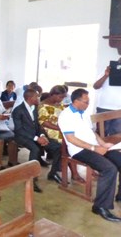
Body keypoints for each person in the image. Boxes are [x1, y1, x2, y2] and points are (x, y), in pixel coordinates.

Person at [58, 88, 121, 222]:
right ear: (76, 101)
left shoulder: (84, 113)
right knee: (109, 169)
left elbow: (93, 133)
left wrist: (103, 144)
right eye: (86, 102)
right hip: (80, 150)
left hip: (94, 147)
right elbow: (71, 139)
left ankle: (120, 195)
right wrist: (93, 147)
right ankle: (100, 206)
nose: (88, 104)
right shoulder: (66, 115)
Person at [12, 89, 62, 193]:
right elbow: (19, 130)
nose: (39, 98)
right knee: (35, 149)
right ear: (30, 98)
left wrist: (42, 136)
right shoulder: (18, 110)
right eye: (37, 96)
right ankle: (31, 179)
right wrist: (36, 138)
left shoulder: (34, 108)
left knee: (57, 147)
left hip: (36, 135)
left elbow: (38, 125)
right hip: (22, 136)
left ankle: (52, 173)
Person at [38, 85, 84, 182]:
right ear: (53, 94)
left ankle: (73, 173)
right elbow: (43, 122)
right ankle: (58, 173)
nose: (62, 99)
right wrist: (59, 128)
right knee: (66, 146)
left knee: (73, 143)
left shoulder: (59, 104)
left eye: (63, 97)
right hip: (50, 132)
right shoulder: (43, 106)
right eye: (60, 97)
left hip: (62, 130)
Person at [93, 65, 121, 136]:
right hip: (103, 108)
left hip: (119, 110)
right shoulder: (107, 71)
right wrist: (106, 75)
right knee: (101, 135)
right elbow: (95, 86)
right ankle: (101, 147)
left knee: (117, 136)